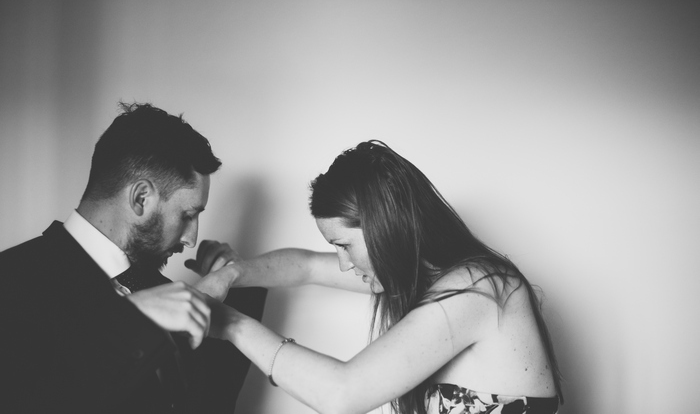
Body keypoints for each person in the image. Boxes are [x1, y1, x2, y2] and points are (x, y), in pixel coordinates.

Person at [190, 140, 563, 414]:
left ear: (385, 228)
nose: (341, 264)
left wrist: (230, 324)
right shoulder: (428, 279)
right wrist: (232, 274)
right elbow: (304, 266)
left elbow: (341, 394)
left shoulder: (478, 290)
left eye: (344, 245)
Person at [0, 102, 265, 413]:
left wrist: (237, 286)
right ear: (141, 198)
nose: (192, 239)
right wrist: (133, 320)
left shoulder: (163, 291)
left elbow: (209, 401)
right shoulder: (11, 283)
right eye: (187, 215)